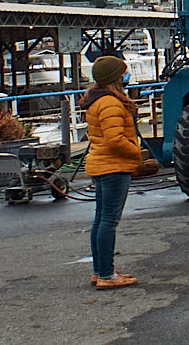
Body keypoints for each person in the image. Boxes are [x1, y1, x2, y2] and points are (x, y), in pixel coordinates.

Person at [80, 55, 143, 289]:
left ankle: (101, 271)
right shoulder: (110, 103)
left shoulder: (97, 100)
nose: (125, 76)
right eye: (122, 73)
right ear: (115, 77)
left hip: (101, 165)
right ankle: (107, 275)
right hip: (114, 167)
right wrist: (136, 153)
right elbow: (115, 139)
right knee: (108, 221)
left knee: (101, 219)